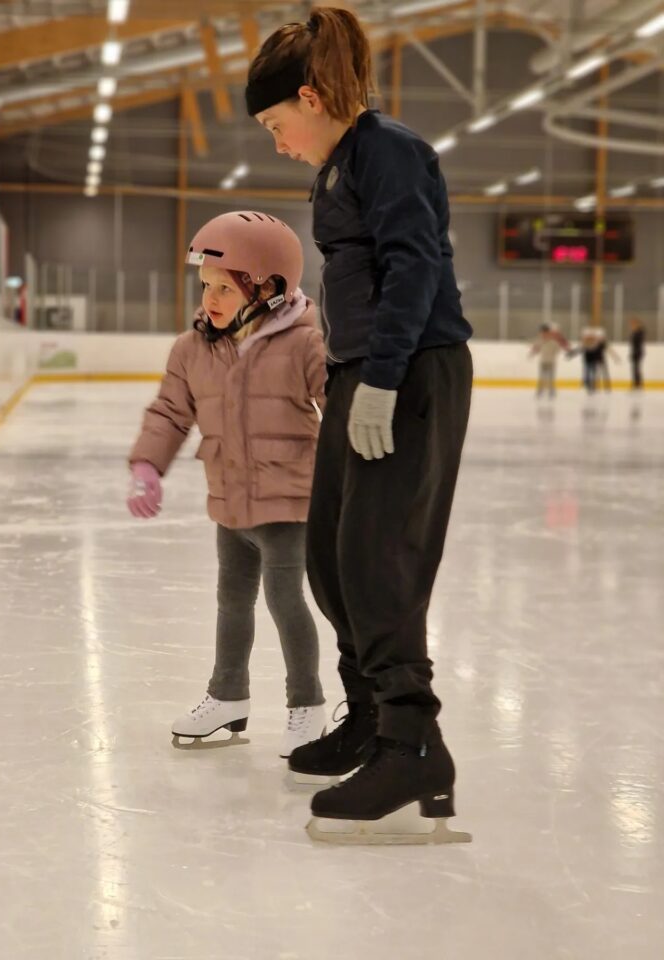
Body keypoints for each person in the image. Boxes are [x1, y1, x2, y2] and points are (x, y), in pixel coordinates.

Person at [245, 5, 474, 844]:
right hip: (361, 375)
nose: (277, 140)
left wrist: (380, 379)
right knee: (331, 560)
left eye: (277, 123)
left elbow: (415, 263)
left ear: (311, 96)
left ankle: (412, 741)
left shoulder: (389, 152)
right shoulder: (339, 166)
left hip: (410, 372)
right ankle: (377, 720)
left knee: (380, 556)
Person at [127, 211, 327, 758]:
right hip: (230, 502)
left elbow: (337, 406)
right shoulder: (192, 349)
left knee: (285, 600)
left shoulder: (304, 345)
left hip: (287, 502)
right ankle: (228, 696)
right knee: (231, 601)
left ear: (268, 287)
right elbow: (170, 412)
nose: (210, 298)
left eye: (223, 287)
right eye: (206, 286)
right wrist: (148, 464)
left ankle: (306, 707)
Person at [528, 323, 569, 398]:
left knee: (551, 377)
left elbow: (557, 349)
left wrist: (553, 354)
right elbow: (536, 347)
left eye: (544, 331)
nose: (543, 333)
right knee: (541, 376)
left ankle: (551, 391)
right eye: (542, 332)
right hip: (543, 361)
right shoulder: (540, 339)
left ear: (548, 332)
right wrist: (532, 353)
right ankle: (540, 390)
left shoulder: (554, 340)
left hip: (551, 361)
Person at [629, 317, 646, 391]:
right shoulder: (634, 332)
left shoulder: (640, 332)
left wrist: (635, 330)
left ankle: (638, 384)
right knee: (634, 368)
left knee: (637, 368)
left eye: (634, 323)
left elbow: (638, 341)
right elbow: (632, 342)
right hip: (634, 352)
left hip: (638, 352)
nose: (632, 325)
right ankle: (636, 383)